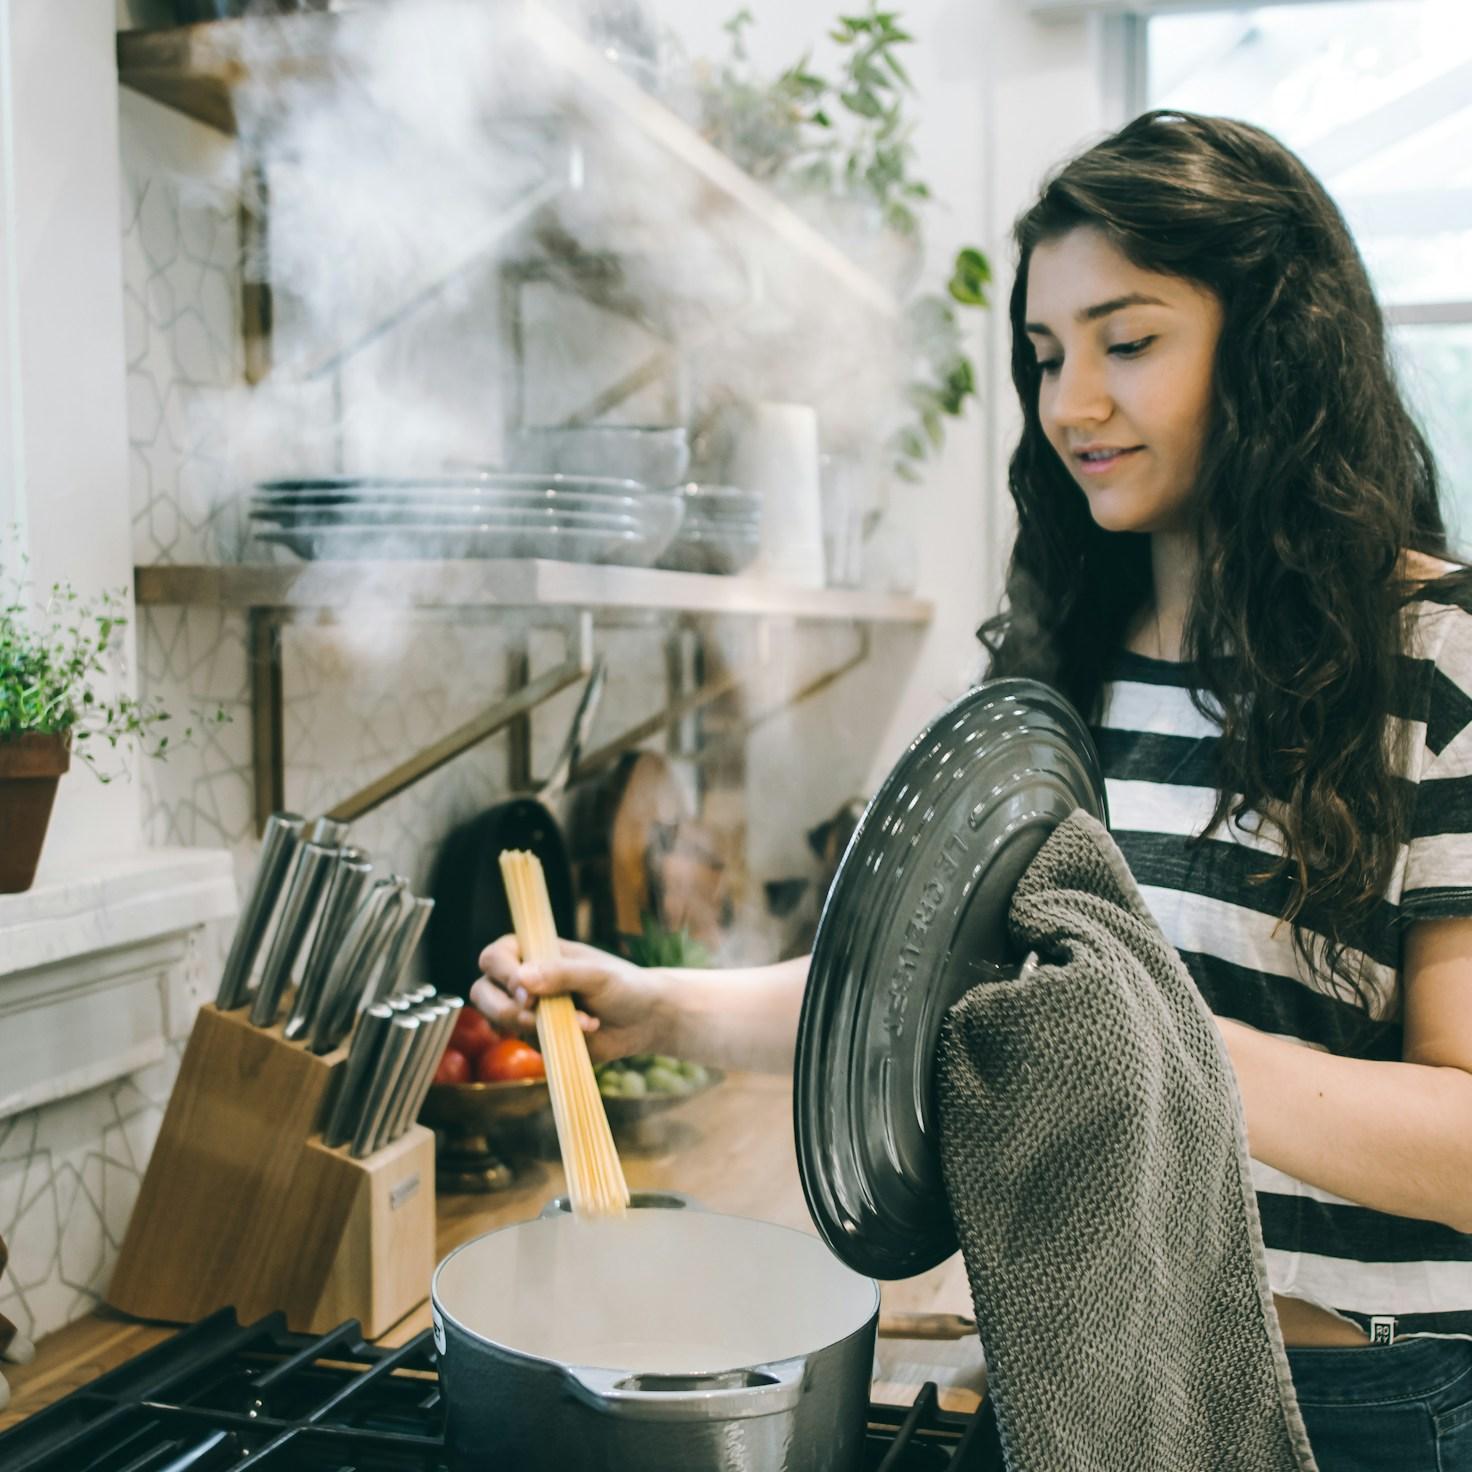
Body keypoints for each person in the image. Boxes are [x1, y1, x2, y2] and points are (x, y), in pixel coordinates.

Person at [475, 110, 1472, 1470]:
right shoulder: (1063, 672)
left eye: (1130, 343)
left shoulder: (1438, 661)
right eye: (1048, 355)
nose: (1072, 404)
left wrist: (1148, 1040)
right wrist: (651, 1003)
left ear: (1274, 348)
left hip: (1356, 1417)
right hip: (1072, 1377)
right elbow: (920, 983)